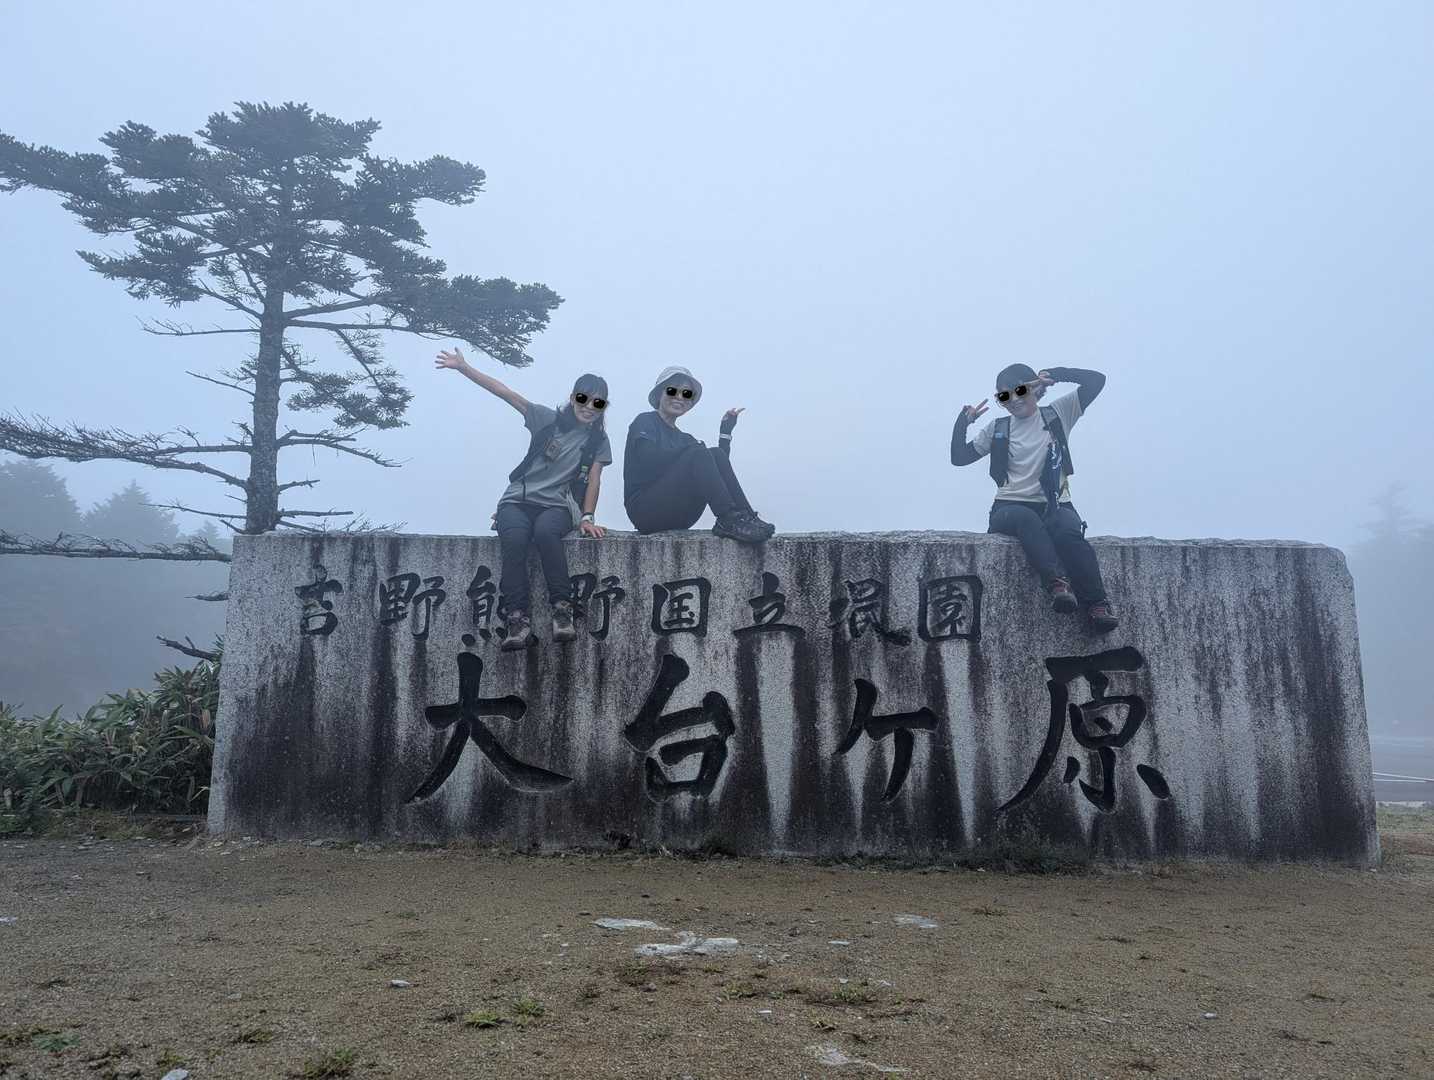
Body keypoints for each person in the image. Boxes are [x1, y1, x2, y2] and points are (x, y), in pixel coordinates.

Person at [435, 346, 612, 649]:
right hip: (517, 500)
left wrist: (587, 518)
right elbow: (505, 392)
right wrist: (463, 367)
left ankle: (562, 611)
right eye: (583, 398)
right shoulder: (546, 419)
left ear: (603, 406)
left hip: (556, 505)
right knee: (515, 540)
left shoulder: (597, 440)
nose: (588, 407)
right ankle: (517, 620)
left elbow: (595, 479)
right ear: (573, 398)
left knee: (545, 534)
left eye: (598, 402)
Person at [950, 363, 1118, 632]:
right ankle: (1057, 585)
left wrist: (1057, 375)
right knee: (1027, 519)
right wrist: (964, 421)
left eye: (1019, 391)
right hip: (1009, 507)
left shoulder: (1056, 414)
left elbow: (1096, 380)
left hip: (1055, 503)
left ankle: (1097, 605)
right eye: (1004, 396)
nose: (1013, 400)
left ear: (1034, 389)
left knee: (1068, 530)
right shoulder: (999, 427)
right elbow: (959, 457)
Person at [623, 366, 774, 544]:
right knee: (699, 452)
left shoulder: (685, 440)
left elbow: (716, 472)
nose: (679, 397)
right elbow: (648, 459)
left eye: (686, 393)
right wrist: (691, 450)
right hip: (645, 512)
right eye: (672, 390)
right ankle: (727, 518)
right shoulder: (645, 421)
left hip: (681, 515)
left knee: (714, 453)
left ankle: (746, 517)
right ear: (659, 394)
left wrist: (725, 433)